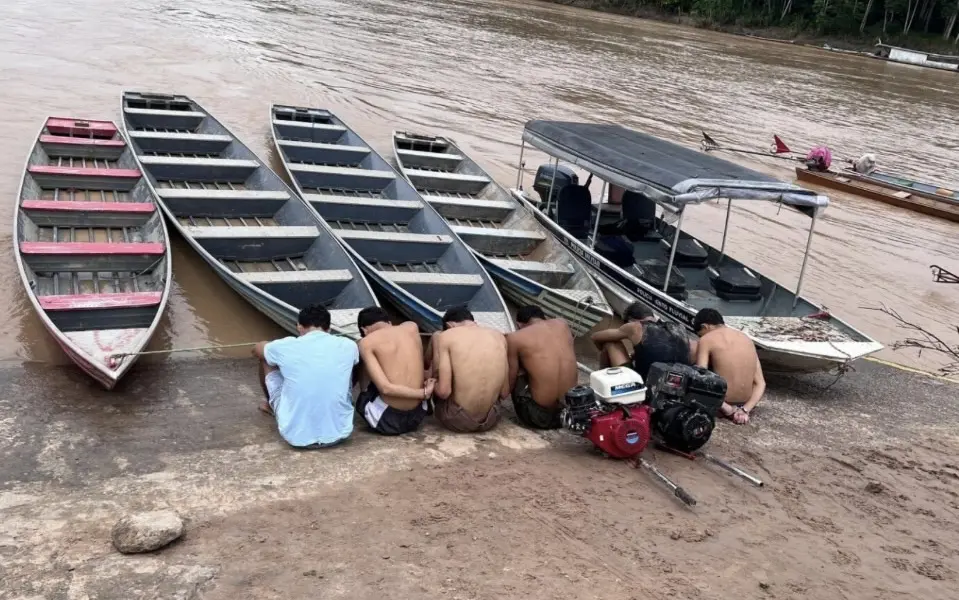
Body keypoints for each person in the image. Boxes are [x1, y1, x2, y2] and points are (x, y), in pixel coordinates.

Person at [253, 304, 357, 449]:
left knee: (265, 358)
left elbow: (257, 349)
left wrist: (267, 345)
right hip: (340, 432)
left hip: (297, 437)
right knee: (348, 365)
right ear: (329, 329)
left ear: (299, 327)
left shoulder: (285, 345)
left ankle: (271, 405)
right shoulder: (349, 345)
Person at [354, 306, 435, 436]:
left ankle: (367, 398)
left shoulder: (366, 342)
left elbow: (386, 388)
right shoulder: (412, 328)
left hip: (388, 421)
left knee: (365, 389)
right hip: (418, 415)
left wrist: (424, 393)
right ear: (389, 322)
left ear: (364, 330)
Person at [428, 306, 509, 433]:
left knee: (437, 376)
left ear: (449, 325)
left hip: (457, 419)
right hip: (491, 419)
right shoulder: (499, 336)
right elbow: (504, 393)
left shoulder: (446, 336)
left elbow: (444, 392)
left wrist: (431, 383)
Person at [505, 306, 577, 430]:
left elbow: (511, 379)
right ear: (544, 317)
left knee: (517, 366)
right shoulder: (562, 324)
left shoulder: (515, 338)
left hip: (538, 417)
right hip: (570, 413)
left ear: (519, 324)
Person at [692, 308, 766, 425]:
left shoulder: (706, 340)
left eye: (700, 334)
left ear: (705, 326)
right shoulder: (747, 339)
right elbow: (761, 383)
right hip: (745, 403)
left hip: (721, 403)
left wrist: (728, 408)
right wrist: (745, 410)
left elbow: (702, 380)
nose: (701, 338)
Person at [590, 302, 692, 379]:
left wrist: (603, 351)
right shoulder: (679, 328)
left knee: (610, 342)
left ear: (630, 320)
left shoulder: (635, 327)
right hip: (676, 381)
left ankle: (603, 379)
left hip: (642, 382)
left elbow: (596, 337)